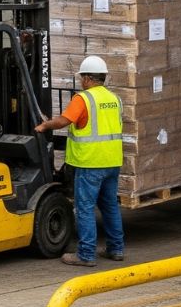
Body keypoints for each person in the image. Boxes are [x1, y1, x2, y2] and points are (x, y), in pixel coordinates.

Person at [33, 55, 125, 267]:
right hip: (112, 162)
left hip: (90, 163)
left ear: (87, 78)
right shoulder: (114, 99)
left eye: (82, 77)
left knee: (84, 207)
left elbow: (65, 121)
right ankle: (116, 248)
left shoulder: (83, 99)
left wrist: (45, 126)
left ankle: (86, 254)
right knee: (110, 205)